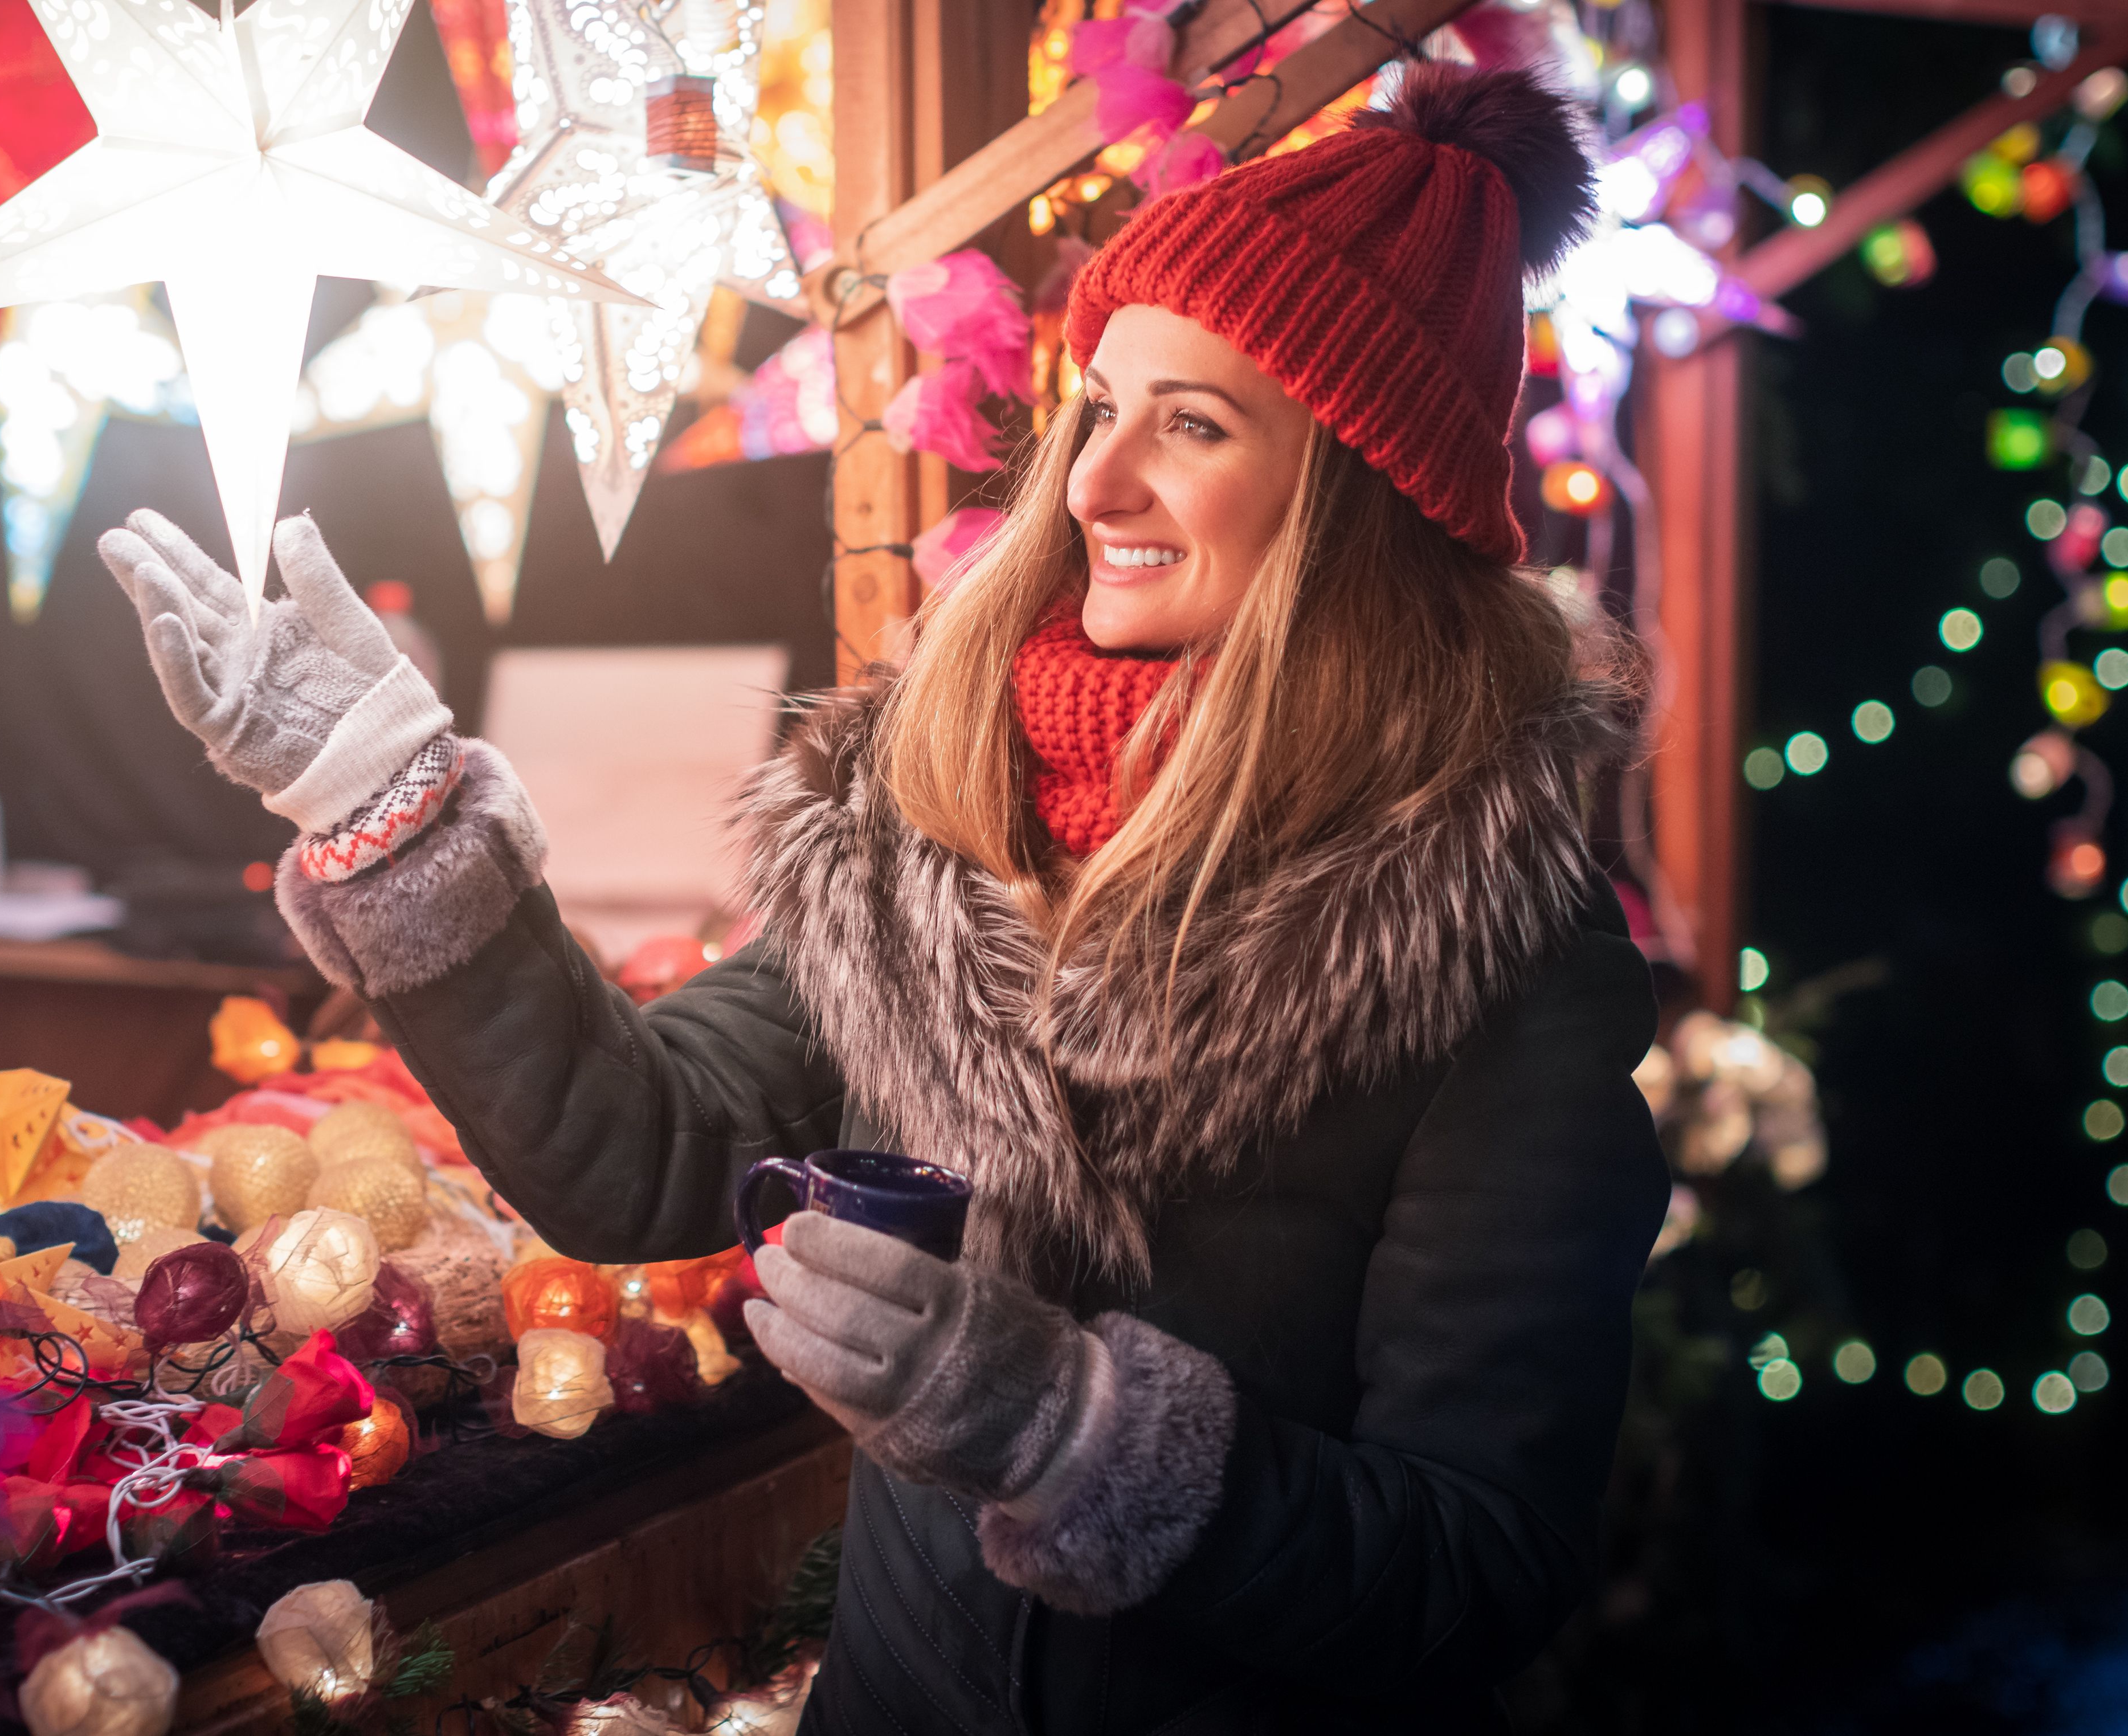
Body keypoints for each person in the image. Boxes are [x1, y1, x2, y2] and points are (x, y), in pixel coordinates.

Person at [101, 60, 1663, 1734]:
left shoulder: (1496, 958)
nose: (1095, 481)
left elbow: (1476, 1569)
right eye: (1102, 402)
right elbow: (644, 1156)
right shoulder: (942, 815)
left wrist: (1075, 1434)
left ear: (1352, 499)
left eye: (1191, 425)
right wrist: (385, 806)